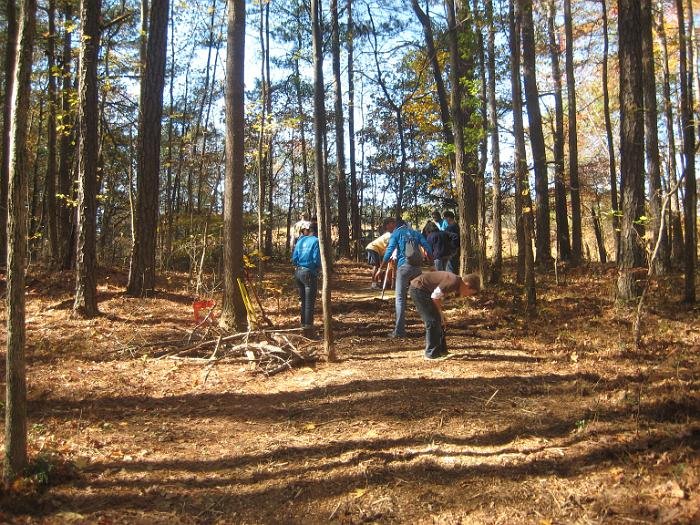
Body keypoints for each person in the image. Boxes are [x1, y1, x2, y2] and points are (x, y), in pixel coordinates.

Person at [377, 219, 432, 338]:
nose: (388, 229)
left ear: (394, 225)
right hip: (417, 268)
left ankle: (399, 331)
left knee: (400, 299)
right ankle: (431, 327)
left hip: (404, 268)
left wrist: (381, 268)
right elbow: (427, 246)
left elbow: (389, 251)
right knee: (421, 297)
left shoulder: (396, 234)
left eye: (388, 227)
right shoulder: (415, 233)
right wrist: (431, 261)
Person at [409, 271, 480, 360]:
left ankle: (442, 351)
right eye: (470, 293)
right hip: (418, 289)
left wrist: (441, 315)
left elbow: (437, 296)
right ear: (467, 284)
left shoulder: (455, 283)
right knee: (432, 321)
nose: (467, 295)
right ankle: (431, 354)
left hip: (425, 291)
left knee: (438, 320)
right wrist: (440, 313)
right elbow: (435, 296)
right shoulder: (453, 282)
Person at [291, 222, 321, 337]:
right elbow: (316, 258)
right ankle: (308, 331)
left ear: (309, 230)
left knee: (303, 301)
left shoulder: (301, 240)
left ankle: (303, 325)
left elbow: (294, 258)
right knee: (309, 302)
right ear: (317, 231)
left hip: (298, 272)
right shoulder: (316, 241)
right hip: (309, 273)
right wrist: (317, 268)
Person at [365, 217, 397, 289]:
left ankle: (379, 282)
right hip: (373, 248)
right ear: (387, 226)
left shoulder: (391, 234)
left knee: (379, 266)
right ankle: (374, 283)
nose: (393, 226)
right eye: (392, 224)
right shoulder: (389, 235)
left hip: (377, 249)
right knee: (376, 266)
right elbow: (389, 248)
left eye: (394, 224)